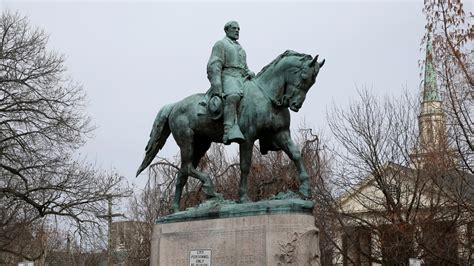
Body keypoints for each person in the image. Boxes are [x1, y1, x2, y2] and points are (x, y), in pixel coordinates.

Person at [207, 21, 255, 145]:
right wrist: (216, 83)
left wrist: (249, 72)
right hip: (227, 77)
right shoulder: (221, 44)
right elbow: (214, 64)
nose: (237, 31)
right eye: (234, 28)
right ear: (227, 30)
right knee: (233, 96)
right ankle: (228, 130)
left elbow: (244, 67)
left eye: (238, 29)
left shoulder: (241, 49)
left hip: (241, 78)